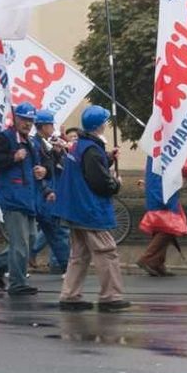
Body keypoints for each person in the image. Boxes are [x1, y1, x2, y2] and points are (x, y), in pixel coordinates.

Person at [57, 106, 130, 311]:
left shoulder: (80, 145)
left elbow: (87, 168)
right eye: (105, 122)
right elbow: (99, 181)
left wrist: (107, 158)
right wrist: (116, 184)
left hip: (74, 208)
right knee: (106, 251)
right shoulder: (91, 149)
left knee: (79, 254)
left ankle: (70, 295)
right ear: (100, 125)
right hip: (89, 209)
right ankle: (111, 297)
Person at [0, 101, 49, 296]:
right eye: (24, 119)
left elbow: (41, 165)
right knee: (21, 244)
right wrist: (13, 157)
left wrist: (42, 171)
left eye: (30, 120)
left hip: (28, 198)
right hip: (12, 197)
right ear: (16, 118)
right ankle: (17, 283)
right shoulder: (4, 138)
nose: (27, 123)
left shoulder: (30, 142)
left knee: (30, 240)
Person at [137, 157, 187, 276]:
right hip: (165, 188)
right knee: (171, 227)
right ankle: (147, 259)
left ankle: (157, 262)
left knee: (161, 226)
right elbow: (181, 162)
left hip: (155, 186)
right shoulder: (169, 143)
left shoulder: (156, 141)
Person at [31, 109, 70, 275]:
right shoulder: (36, 144)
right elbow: (39, 171)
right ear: (44, 126)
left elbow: (49, 166)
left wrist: (56, 152)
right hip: (44, 195)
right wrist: (47, 190)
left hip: (47, 193)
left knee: (54, 232)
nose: (53, 128)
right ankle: (66, 267)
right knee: (57, 232)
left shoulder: (43, 144)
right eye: (51, 125)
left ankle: (65, 266)